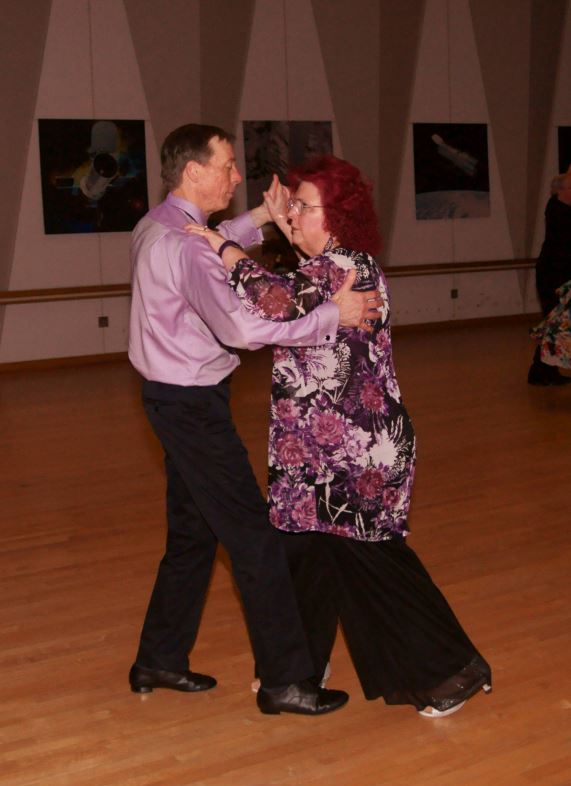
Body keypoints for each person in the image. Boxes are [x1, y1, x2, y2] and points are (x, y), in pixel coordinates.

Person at [189, 154, 492, 718]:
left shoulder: (349, 265)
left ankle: (452, 672)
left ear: (338, 216)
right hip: (310, 453)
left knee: (373, 565)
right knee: (303, 557)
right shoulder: (320, 269)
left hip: (358, 454)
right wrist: (283, 232)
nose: (294, 214)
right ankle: (297, 669)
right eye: (295, 205)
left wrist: (222, 246)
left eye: (305, 207)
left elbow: (274, 300)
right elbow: (293, 295)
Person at [128, 124, 383, 717]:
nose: (236, 175)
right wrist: (332, 315)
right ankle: (285, 682)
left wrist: (261, 219)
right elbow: (243, 330)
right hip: (192, 407)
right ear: (194, 171)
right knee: (254, 539)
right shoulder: (188, 246)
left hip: (169, 399)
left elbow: (210, 239)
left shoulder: (155, 225)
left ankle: (159, 658)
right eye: (226, 165)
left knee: (193, 537)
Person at [527, 166, 571, 385]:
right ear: (561, 190)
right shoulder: (555, 209)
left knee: (554, 323)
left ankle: (543, 370)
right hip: (552, 274)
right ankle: (541, 371)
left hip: (561, 272)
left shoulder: (562, 208)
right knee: (553, 322)